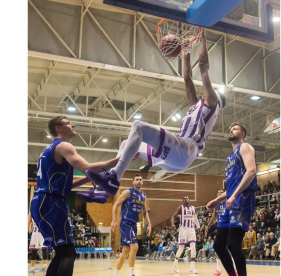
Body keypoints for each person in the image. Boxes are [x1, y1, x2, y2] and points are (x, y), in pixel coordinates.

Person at [85, 28, 226, 197]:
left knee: (139, 127)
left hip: (187, 148)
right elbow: (187, 78)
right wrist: (186, 51)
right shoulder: (198, 106)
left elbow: (203, 67)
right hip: (178, 156)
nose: (205, 90)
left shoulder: (211, 103)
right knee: (126, 145)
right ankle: (104, 191)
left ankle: (114, 178)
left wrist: (203, 41)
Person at [30, 116, 121, 276]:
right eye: (68, 122)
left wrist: (89, 178)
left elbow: (67, 184)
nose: (73, 124)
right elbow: (86, 166)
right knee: (68, 253)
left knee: (61, 252)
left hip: (42, 200)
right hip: (52, 201)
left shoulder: (49, 149)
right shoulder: (64, 146)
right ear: (58, 128)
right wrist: (119, 160)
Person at [206, 122, 258, 276]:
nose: (231, 130)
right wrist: (217, 200)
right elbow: (230, 188)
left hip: (243, 199)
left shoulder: (245, 147)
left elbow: (251, 172)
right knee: (218, 245)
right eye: (230, 129)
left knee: (233, 244)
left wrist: (234, 195)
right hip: (231, 200)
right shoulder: (229, 158)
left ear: (242, 134)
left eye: (235, 129)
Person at [111, 174, 152, 276]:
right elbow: (115, 204)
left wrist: (149, 225)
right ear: (133, 182)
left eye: (140, 180)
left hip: (134, 224)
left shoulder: (143, 195)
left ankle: (115, 274)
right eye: (137, 180)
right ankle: (131, 273)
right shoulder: (128, 192)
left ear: (142, 182)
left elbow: (145, 212)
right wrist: (114, 220)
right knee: (135, 247)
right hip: (125, 223)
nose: (139, 181)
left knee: (125, 251)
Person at [170, 197, 201, 274]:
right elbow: (173, 216)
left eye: (187, 199)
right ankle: (175, 263)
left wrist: (198, 227)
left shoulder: (193, 208)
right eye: (184, 199)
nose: (186, 200)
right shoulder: (180, 208)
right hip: (183, 229)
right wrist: (172, 224)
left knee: (193, 246)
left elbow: (195, 218)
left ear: (189, 200)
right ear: (183, 201)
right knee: (181, 248)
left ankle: (192, 268)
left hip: (191, 229)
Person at [205, 189, 226, 276]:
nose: (220, 194)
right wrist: (207, 226)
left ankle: (235, 268)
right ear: (217, 194)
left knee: (230, 249)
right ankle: (218, 270)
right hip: (220, 227)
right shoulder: (216, 205)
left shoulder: (228, 202)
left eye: (222, 192)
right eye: (219, 192)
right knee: (217, 247)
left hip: (229, 227)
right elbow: (213, 217)